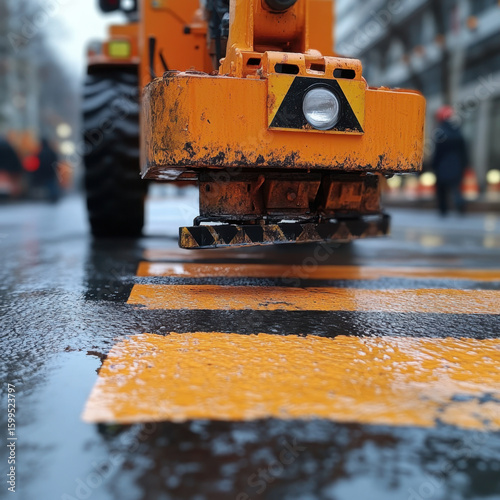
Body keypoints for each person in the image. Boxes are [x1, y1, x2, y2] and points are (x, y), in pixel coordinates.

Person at [432, 106, 469, 216]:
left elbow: (437, 152)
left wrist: (434, 165)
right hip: (457, 165)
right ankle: (460, 206)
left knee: (441, 189)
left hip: (443, 165)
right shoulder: (458, 131)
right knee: (456, 188)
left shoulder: (440, 132)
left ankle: (443, 210)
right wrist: (464, 164)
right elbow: (464, 151)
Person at [33, 138, 60, 202]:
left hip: (44, 172)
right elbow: (56, 161)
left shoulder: (41, 153)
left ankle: (51, 197)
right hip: (51, 171)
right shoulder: (51, 151)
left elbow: (39, 163)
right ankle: (54, 196)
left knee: (48, 185)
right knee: (52, 184)